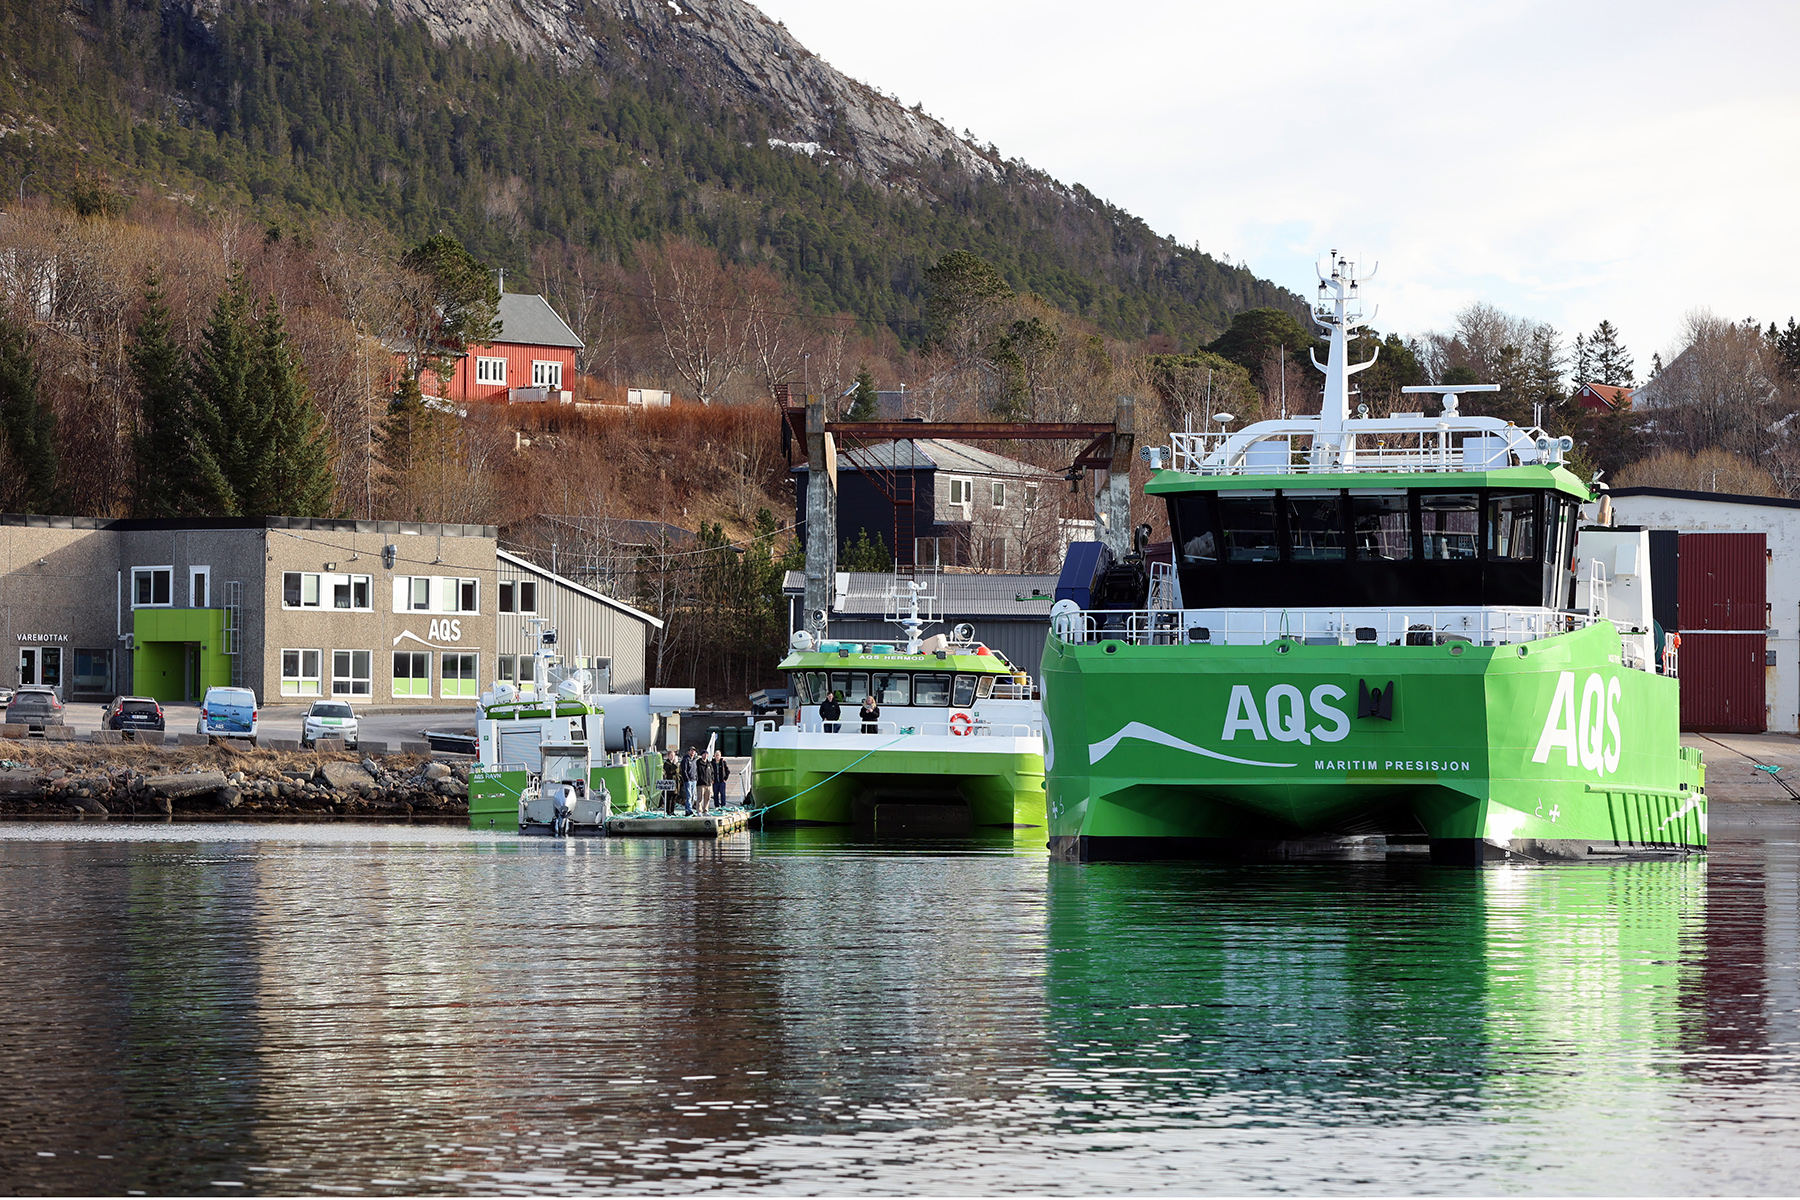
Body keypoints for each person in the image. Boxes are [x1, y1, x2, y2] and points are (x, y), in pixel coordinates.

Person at [681, 746, 699, 814]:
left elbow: (696, 770)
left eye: (693, 751)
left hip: (694, 780)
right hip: (688, 781)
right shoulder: (685, 760)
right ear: (688, 751)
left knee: (693, 796)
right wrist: (687, 779)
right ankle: (688, 810)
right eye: (691, 751)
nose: (692, 752)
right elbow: (684, 770)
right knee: (689, 796)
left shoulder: (694, 760)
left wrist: (696, 778)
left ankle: (690, 808)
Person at [661, 749, 680, 814]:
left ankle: (672, 811)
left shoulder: (676, 763)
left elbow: (678, 771)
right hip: (669, 782)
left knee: (674, 797)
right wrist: (674, 764)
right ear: (668, 756)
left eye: (673, 755)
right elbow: (670, 771)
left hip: (676, 782)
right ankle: (668, 811)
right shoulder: (666, 763)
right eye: (671, 755)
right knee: (669, 798)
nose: (672, 757)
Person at [696, 749, 713, 813]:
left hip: (708, 784)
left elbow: (712, 772)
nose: (705, 755)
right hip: (701, 783)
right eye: (704, 754)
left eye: (706, 754)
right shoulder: (698, 763)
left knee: (707, 798)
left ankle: (706, 810)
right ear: (701, 755)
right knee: (700, 798)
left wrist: (711, 779)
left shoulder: (709, 763)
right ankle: (699, 811)